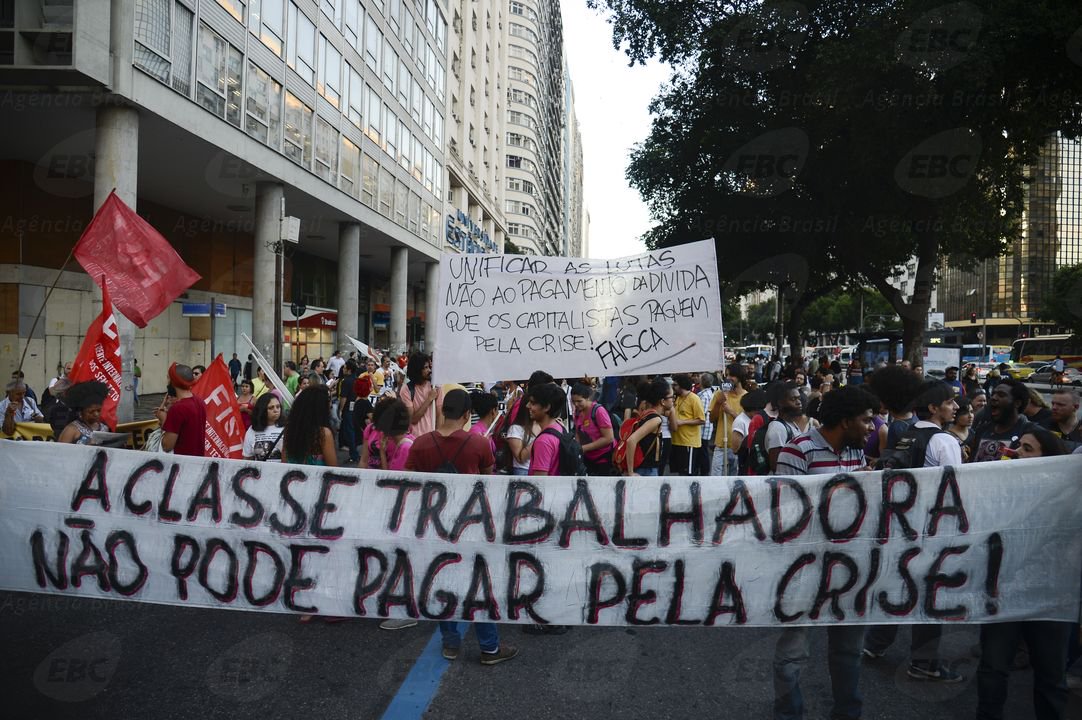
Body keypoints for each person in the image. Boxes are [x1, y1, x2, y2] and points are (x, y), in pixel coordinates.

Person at [773, 385, 879, 720]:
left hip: (849, 568)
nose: (872, 428)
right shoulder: (797, 450)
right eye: (866, 420)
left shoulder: (854, 452)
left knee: (848, 650)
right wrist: (847, 487)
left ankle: (849, 713)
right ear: (846, 421)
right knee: (792, 652)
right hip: (803, 570)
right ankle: (789, 714)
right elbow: (787, 513)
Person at [402, 390, 516, 664]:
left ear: (442, 412)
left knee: (443, 582)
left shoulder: (419, 445)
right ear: (467, 415)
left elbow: (407, 484)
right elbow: (488, 484)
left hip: (433, 527)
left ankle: (450, 644)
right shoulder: (478, 444)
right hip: (472, 527)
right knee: (480, 586)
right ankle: (489, 648)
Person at [863, 381, 964, 682]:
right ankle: (924, 661)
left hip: (902, 526)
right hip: (933, 528)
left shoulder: (906, 434)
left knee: (900, 585)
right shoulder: (944, 441)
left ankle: (875, 644)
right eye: (949, 402)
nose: (956, 407)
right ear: (933, 408)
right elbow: (955, 489)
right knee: (931, 595)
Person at [977, 424, 1070, 720]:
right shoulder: (1001, 491)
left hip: (1052, 598)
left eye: (1027, 449)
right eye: (1018, 447)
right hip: (1004, 592)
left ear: (1049, 457)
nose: (1016, 453)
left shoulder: (1070, 500)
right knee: (992, 669)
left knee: (1051, 676)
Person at [966, 378, 1034, 463]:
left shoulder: (1030, 433)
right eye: (993, 394)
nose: (993, 398)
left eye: (1001, 395)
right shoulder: (982, 430)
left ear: (1017, 403)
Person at [154, 363, 206, 456]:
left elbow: (167, 446)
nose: (167, 382)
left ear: (174, 381)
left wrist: (163, 419)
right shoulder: (199, 401)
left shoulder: (177, 409)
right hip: (198, 461)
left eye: (168, 378)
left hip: (182, 465)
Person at [622, 378, 670, 477]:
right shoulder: (656, 419)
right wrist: (631, 472)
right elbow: (631, 440)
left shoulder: (647, 413)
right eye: (671, 397)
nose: (673, 400)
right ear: (663, 401)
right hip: (646, 470)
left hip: (642, 467)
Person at [281, 383, 337, 466]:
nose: (330, 405)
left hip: (292, 477)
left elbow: (284, 462)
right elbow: (333, 468)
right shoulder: (323, 433)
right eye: (328, 402)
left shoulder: (290, 430)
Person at [765, 381, 816, 473]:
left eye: (799, 398)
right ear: (780, 403)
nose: (799, 402)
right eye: (793, 399)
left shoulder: (791, 424)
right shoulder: (777, 428)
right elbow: (776, 465)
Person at [709, 364, 749, 475]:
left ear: (739, 376)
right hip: (721, 444)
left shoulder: (746, 397)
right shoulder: (719, 394)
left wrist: (731, 411)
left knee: (734, 481)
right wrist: (718, 402)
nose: (728, 378)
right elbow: (712, 418)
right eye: (726, 375)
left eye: (732, 375)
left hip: (738, 446)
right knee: (715, 479)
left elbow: (747, 423)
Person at [571, 382, 615, 475]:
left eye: (579, 401)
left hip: (604, 459)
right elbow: (578, 433)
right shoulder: (578, 413)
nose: (576, 404)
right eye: (574, 401)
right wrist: (577, 448)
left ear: (587, 398)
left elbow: (609, 438)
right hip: (588, 459)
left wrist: (584, 448)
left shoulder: (598, 411)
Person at [527, 383, 569, 477]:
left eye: (533, 403)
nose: (527, 406)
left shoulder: (543, 441)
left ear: (546, 407)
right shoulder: (560, 427)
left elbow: (540, 482)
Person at [668, 374, 705, 475]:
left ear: (682, 386)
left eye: (675, 385)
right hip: (676, 441)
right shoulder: (677, 398)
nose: (673, 387)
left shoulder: (694, 399)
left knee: (688, 474)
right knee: (679, 472)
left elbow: (701, 420)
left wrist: (682, 422)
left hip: (689, 442)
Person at [400, 353, 439, 436]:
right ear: (417, 369)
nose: (429, 370)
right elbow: (413, 419)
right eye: (425, 368)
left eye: (429, 367)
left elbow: (440, 416)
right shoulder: (406, 389)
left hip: (433, 438)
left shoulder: (435, 387)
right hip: (414, 439)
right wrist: (429, 399)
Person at [243, 393, 285, 461]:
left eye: (278, 406)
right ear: (262, 410)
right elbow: (247, 458)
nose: (276, 410)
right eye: (271, 407)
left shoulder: (287, 428)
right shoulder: (252, 430)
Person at [376, 399, 414, 470]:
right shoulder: (402, 444)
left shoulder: (405, 448)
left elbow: (390, 478)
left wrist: (382, 452)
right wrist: (382, 452)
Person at [336, 360, 359, 464]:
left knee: (349, 430)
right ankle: (354, 452)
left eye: (345, 367)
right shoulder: (357, 379)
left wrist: (340, 409)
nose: (343, 369)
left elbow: (343, 397)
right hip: (354, 406)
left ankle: (354, 454)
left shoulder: (346, 381)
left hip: (347, 407)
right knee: (352, 429)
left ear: (349, 370)